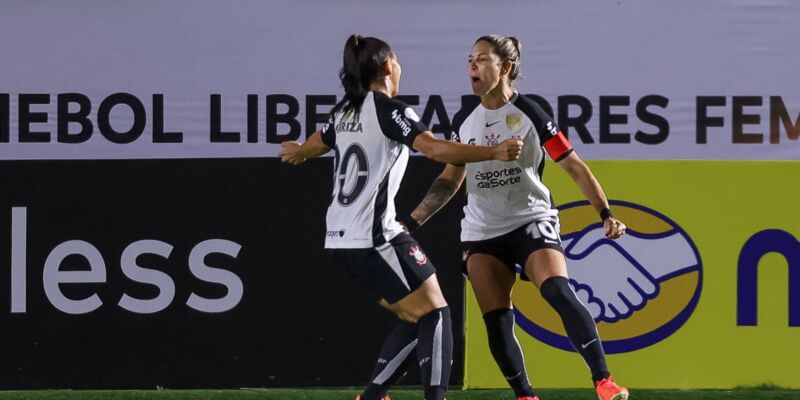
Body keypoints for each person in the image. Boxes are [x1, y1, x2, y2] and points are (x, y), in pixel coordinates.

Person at [279, 34, 523, 400]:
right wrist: (492, 152)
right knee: (437, 314)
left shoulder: (344, 111)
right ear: (388, 65)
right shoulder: (389, 109)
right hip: (376, 236)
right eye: (397, 60)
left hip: (341, 241)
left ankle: (374, 395)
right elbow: (434, 148)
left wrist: (300, 151)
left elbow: (319, 141)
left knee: (419, 316)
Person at [403, 35, 630, 400]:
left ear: (505, 67)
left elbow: (573, 166)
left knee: (557, 289)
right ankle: (525, 395)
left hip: (530, 220)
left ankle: (604, 381)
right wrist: (411, 223)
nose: (472, 67)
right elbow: (449, 179)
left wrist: (605, 213)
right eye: (470, 60)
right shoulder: (464, 119)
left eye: (482, 60)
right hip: (482, 231)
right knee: (497, 319)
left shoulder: (532, 113)